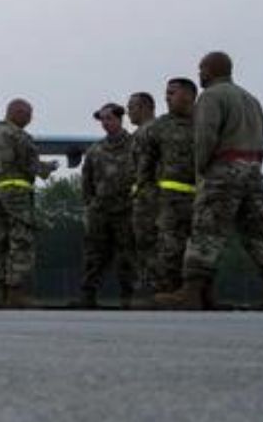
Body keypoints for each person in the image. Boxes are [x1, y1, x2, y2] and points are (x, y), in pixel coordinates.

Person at [178, 51, 263, 310]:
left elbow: (205, 136)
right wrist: (253, 164)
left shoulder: (211, 96)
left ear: (210, 70)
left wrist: (201, 169)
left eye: (201, 69)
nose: (199, 74)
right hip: (252, 170)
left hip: (223, 170)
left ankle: (192, 293)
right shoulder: (250, 99)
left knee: (206, 230)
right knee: (260, 232)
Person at [0, 98, 59, 308]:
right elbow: (30, 165)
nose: (30, 119)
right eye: (28, 115)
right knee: (21, 241)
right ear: (17, 113)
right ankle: (17, 291)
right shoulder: (18, 135)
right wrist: (48, 168)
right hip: (16, 191)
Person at [79, 102, 137, 307]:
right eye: (102, 119)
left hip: (127, 210)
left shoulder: (135, 146)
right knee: (94, 255)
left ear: (120, 119)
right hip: (100, 212)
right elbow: (86, 182)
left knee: (127, 256)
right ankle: (88, 297)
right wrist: (90, 206)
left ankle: (129, 297)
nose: (105, 123)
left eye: (109, 118)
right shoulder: (95, 150)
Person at [149, 77, 200, 306]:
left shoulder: (207, 121)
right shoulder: (159, 127)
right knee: (170, 247)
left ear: (189, 95)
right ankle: (169, 291)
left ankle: (201, 294)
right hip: (171, 200)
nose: (167, 98)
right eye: (166, 93)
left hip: (205, 197)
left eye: (172, 93)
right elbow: (145, 163)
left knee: (203, 247)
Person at [126, 91, 160, 298]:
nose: (128, 112)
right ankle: (150, 285)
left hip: (151, 198)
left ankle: (153, 286)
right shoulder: (141, 133)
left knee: (149, 242)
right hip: (144, 196)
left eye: (132, 107)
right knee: (143, 243)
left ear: (145, 107)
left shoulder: (151, 131)